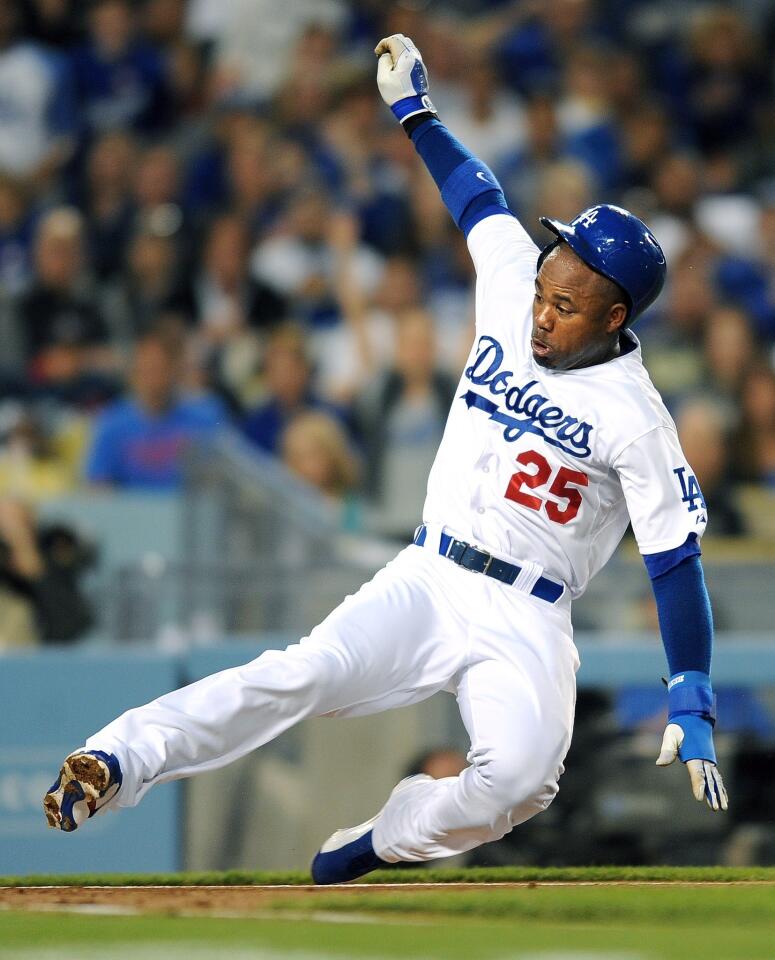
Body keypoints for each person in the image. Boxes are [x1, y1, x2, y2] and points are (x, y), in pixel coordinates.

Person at [44, 34, 727, 883]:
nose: (543, 312)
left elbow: (674, 562)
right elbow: (478, 198)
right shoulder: (519, 282)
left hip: (529, 614)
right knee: (300, 673)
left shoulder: (637, 420)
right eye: (548, 282)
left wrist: (689, 692)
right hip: (431, 574)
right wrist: (414, 112)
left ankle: (379, 839)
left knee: (518, 784)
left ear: (613, 314)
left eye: (566, 304)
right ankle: (114, 759)